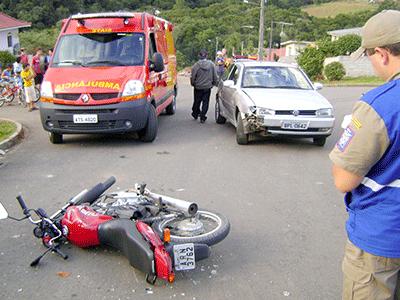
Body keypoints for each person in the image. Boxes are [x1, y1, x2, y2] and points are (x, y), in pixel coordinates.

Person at [329, 10, 400, 299]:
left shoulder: (379, 105)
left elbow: (343, 179)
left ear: (382, 54)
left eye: (369, 55)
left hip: (383, 240)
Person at [190, 49, 218, 123]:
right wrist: (214, 83)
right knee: (205, 102)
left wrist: (193, 83)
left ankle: (195, 114)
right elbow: (215, 76)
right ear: (207, 56)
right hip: (207, 87)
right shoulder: (211, 65)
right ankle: (203, 116)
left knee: (197, 101)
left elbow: (193, 77)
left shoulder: (196, 65)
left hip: (198, 87)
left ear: (199, 56)